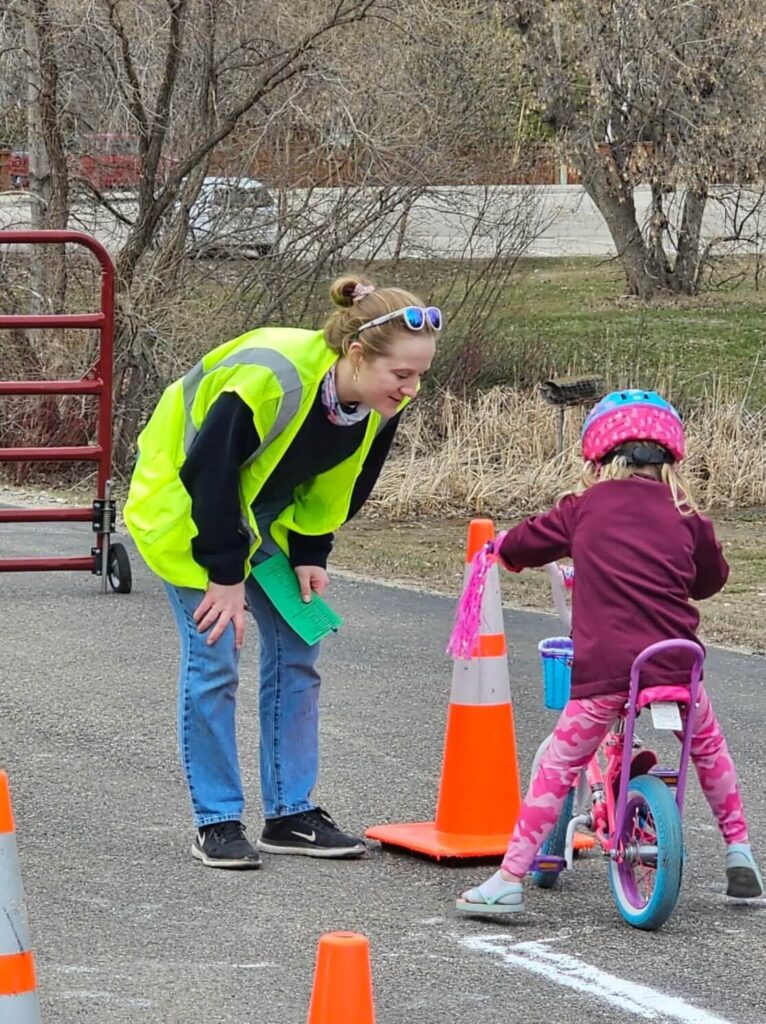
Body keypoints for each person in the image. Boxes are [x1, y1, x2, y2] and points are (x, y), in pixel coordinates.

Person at [124, 275, 440, 869]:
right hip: (188, 506)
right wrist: (225, 578)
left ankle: (290, 814)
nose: (412, 388)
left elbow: (341, 483)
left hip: (263, 513)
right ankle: (216, 822)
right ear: (356, 355)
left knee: (299, 642)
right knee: (216, 651)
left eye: (420, 375)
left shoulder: (378, 401)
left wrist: (310, 554)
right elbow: (209, 476)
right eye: (402, 374)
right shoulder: (272, 377)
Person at [455, 389, 763, 914]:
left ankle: (509, 879)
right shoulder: (688, 514)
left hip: (608, 670)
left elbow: (529, 542)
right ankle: (740, 851)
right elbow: (711, 580)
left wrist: (500, 547)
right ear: (671, 455)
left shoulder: (584, 507)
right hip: (675, 664)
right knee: (709, 751)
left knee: (558, 762)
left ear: (600, 455)